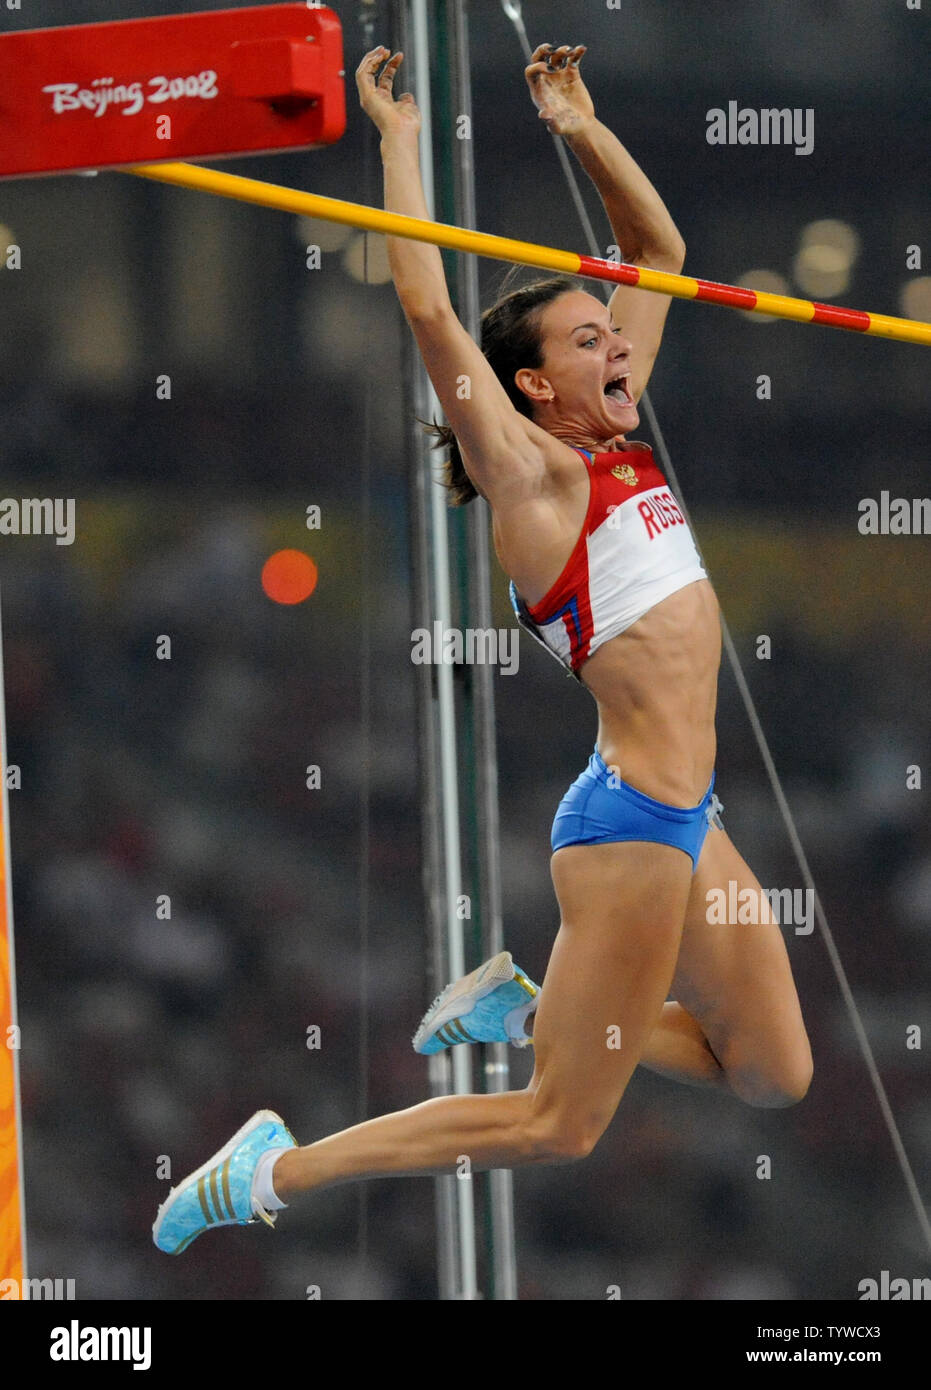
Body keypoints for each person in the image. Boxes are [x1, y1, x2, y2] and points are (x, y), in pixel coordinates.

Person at [153, 41, 812, 1257]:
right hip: (624, 833)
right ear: (528, 384)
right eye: (584, 341)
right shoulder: (537, 478)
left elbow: (658, 255)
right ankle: (274, 1165)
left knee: (773, 1071)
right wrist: (400, 139)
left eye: (608, 338)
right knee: (559, 1124)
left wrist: (579, 124)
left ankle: (523, 1000)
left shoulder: (611, 436)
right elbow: (422, 302)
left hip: (689, 811)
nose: (616, 348)